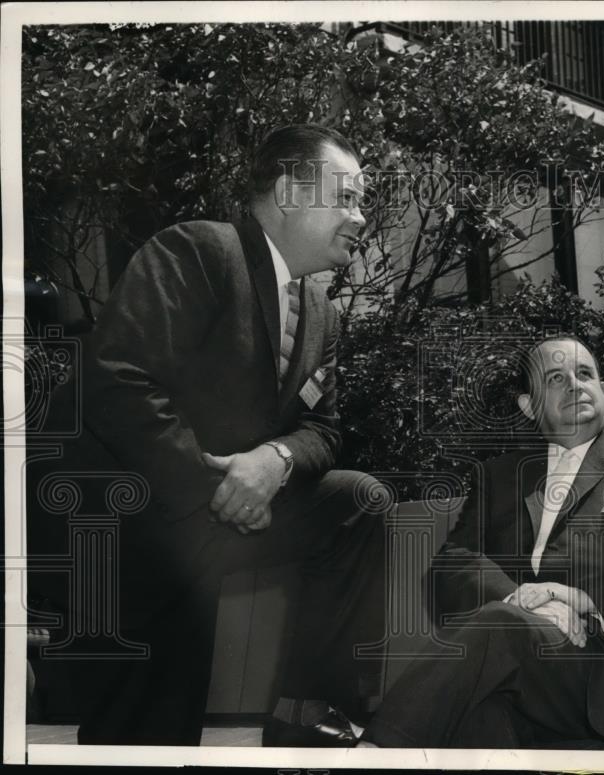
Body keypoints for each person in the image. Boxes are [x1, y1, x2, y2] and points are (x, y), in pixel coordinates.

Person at [27, 124, 389, 747]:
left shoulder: (322, 315)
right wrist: (217, 488)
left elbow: (323, 429)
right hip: (127, 520)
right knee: (144, 734)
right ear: (289, 193)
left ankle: (302, 711)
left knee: (356, 500)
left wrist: (274, 460)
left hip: (214, 528)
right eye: (347, 197)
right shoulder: (199, 250)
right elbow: (117, 381)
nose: (360, 217)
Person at [360, 336, 604, 748]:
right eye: (556, 378)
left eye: (585, 374)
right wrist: (524, 601)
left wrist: (581, 599)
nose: (575, 385)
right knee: (477, 711)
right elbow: (454, 562)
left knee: (499, 630)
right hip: (518, 677)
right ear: (529, 406)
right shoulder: (499, 475)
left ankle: (374, 754)